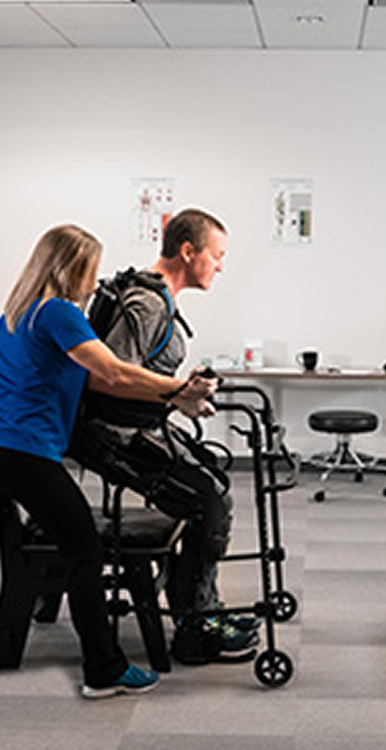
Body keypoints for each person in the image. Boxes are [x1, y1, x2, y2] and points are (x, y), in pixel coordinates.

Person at [0, 224, 213, 698]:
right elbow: (112, 372)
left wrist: (165, 392)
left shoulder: (15, 313)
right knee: (85, 551)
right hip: (24, 454)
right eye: (91, 270)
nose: (95, 283)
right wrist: (179, 389)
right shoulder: (60, 313)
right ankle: (103, 669)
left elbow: (89, 375)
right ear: (72, 268)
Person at [71, 207, 260, 666]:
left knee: (210, 480)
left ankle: (200, 608)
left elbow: (139, 374)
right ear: (188, 251)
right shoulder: (148, 303)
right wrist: (176, 391)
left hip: (136, 425)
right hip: (112, 434)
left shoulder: (157, 297)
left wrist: (181, 394)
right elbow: (104, 378)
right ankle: (196, 628)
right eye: (217, 255)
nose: (220, 266)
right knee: (208, 499)